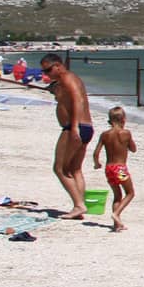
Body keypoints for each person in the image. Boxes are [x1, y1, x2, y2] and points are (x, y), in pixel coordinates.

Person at [39, 53, 92, 219]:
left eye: (48, 70)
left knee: (60, 169)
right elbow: (67, 98)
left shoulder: (68, 77)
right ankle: (79, 206)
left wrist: (74, 126)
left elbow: (78, 100)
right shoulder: (63, 82)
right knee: (75, 169)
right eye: (44, 71)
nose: (47, 74)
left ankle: (79, 205)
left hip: (74, 128)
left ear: (58, 66)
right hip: (86, 127)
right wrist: (56, 91)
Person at [93, 106, 137, 232]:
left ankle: (116, 224)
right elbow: (133, 149)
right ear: (123, 119)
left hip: (109, 169)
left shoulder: (105, 135)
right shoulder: (126, 133)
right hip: (120, 169)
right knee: (130, 193)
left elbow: (96, 153)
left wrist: (97, 164)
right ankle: (116, 214)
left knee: (117, 195)